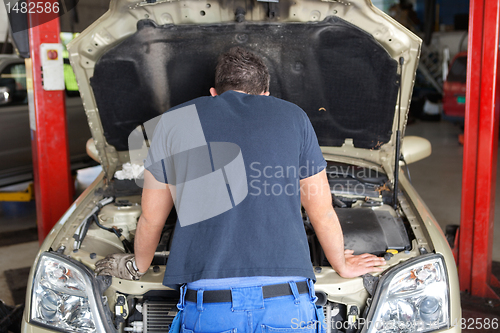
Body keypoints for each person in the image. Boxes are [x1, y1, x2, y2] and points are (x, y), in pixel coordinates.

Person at [96, 47, 385, 332]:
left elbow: (151, 218)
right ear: (266, 94)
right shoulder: (294, 116)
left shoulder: (174, 121)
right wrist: (342, 265)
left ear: (213, 92)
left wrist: (140, 264)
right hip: (287, 302)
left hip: (210, 308)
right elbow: (320, 210)